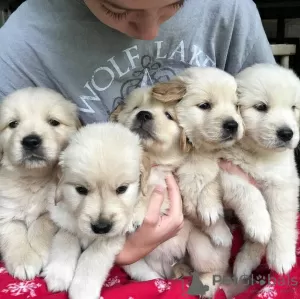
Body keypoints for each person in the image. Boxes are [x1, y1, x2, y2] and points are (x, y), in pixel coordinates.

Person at [0, 0, 275, 265]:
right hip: (95, 240)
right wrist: (119, 250)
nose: (149, 33)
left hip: (227, 228)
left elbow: (272, 121)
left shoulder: (230, 8)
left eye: (175, 5)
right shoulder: (23, 40)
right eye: (115, 10)